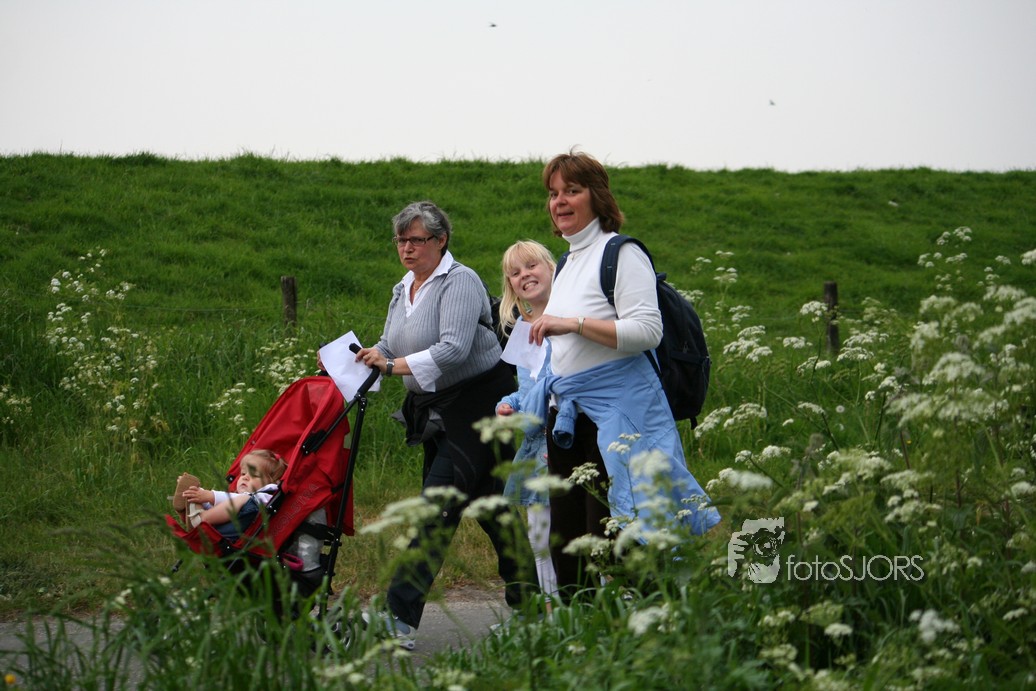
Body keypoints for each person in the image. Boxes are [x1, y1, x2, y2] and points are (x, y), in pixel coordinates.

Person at [525, 151, 721, 601]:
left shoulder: (621, 252)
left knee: (620, 538)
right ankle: (577, 630)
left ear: (597, 196)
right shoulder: (568, 261)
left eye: (572, 191)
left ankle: (651, 624)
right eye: (553, 193)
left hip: (616, 417)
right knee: (568, 544)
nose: (559, 201)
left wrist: (572, 324)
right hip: (568, 417)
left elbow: (648, 331)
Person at [353, 200, 538, 650]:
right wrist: (363, 358)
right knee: (494, 509)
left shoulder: (460, 281)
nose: (407, 248)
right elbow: (389, 342)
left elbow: (453, 349)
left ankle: (398, 621)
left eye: (416, 240)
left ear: (441, 240)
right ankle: (532, 610)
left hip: (476, 408)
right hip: (437, 410)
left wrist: (391, 366)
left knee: (435, 509)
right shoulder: (404, 288)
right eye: (401, 240)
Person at [495, 240, 559, 599]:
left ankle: (584, 609)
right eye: (515, 273)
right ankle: (553, 612)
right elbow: (526, 391)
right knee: (540, 536)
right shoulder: (522, 328)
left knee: (576, 535)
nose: (525, 275)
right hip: (536, 447)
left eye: (532, 266)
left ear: (551, 268)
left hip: (566, 440)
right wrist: (507, 405)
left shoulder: (570, 319)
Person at [171, 449, 287, 539]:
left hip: (244, 532)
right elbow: (223, 506)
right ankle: (190, 506)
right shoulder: (239, 499)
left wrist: (209, 495)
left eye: (254, 475)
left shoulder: (270, 493)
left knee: (245, 499)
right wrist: (198, 494)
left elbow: (243, 499)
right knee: (233, 501)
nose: (245, 477)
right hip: (225, 528)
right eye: (243, 474)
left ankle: (201, 518)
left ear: (271, 482)